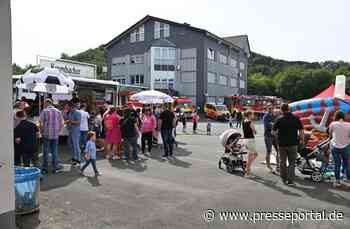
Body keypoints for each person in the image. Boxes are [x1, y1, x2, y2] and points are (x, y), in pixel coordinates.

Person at [273, 103, 304, 186]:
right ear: (289, 109)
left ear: (281, 110)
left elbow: (274, 131)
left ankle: (283, 178)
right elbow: (301, 130)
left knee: (282, 161)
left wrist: (277, 137)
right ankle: (290, 180)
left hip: (282, 144)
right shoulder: (296, 118)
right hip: (293, 143)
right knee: (292, 162)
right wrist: (302, 140)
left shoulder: (279, 119)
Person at [39, 99, 64, 173]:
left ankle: (44, 168)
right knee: (54, 151)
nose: (44, 105)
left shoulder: (44, 111)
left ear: (47, 103)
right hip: (55, 134)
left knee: (45, 151)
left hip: (46, 134)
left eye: (44, 103)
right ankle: (55, 167)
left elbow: (41, 123)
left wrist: (41, 131)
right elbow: (62, 123)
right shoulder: (58, 111)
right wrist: (58, 131)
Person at [328, 111, 350, 188]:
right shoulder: (349, 125)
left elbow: (330, 135)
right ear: (343, 117)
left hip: (335, 146)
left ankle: (337, 182)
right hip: (346, 146)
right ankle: (348, 181)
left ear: (336, 116)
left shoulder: (333, 124)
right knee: (347, 164)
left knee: (337, 164)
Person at [263, 106, 279, 173]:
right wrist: (273, 125)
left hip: (275, 135)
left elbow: (277, 125)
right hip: (268, 136)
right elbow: (267, 126)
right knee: (269, 151)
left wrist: (273, 125)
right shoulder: (265, 116)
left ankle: (278, 165)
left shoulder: (275, 116)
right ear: (267, 109)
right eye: (269, 108)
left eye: (272, 108)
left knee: (278, 150)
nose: (271, 109)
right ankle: (268, 165)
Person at [242, 110, 258, 178]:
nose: (253, 116)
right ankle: (247, 172)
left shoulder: (243, 121)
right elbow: (255, 132)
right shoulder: (250, 122)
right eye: (252, 114)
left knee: (254, 154)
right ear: (249, 115)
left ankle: (248, 167)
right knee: (251, 156)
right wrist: (254, 130)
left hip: (245, 140)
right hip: (250, 140)